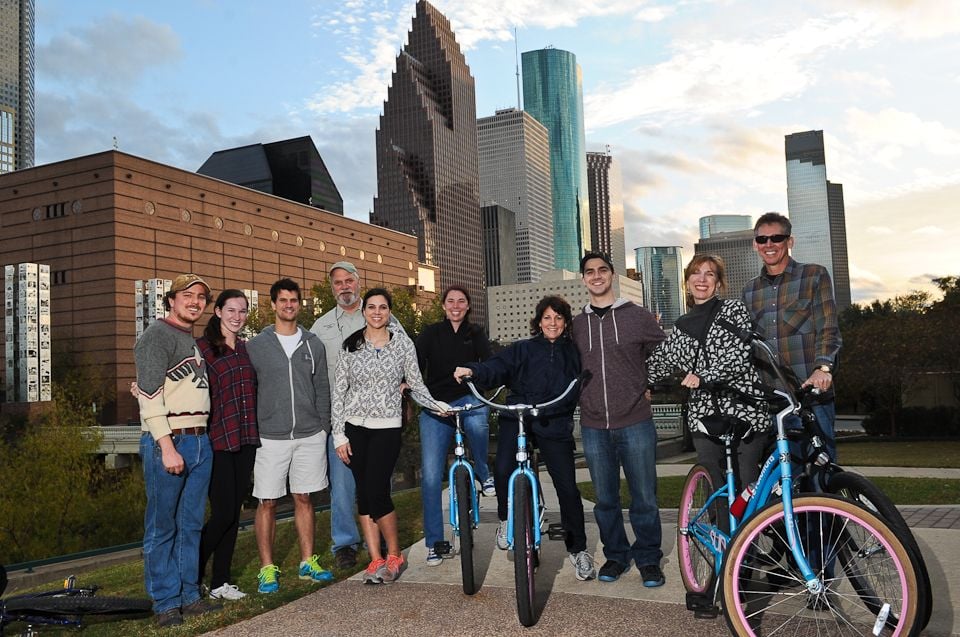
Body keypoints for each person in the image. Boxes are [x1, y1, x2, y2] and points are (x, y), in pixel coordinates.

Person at [453, 295, 596, 582]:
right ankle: (507, 520)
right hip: (517, 416)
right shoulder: (523, 349)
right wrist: (473, 370)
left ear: (565, 322)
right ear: (538, 322)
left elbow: (584, 381)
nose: (552, 323)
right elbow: (496, 367)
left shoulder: (574, 352)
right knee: (504, 467)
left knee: (567, 486)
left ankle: (578, 550)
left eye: (558, 318)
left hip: (553, 420)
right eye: (547, 318)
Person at [332, 288, 446, 585]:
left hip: (387, 428)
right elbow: (339, 394)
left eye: (383, 307)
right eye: (371, 307)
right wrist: (339, 436)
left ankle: (394, 555)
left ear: (389, 311)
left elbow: (417, 384)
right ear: (364, 311)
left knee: (378, 489)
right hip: (354, 427)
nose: (377, 312)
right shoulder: (351, 346)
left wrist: (437, 406)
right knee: (364, 494)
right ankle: (375, 560)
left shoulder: (403, 345)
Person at [647, 255, 770, 523]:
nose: (702, 279)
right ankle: (725, 555)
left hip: (745, 410)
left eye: (710, 274)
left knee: (748, 483)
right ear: (687, 282)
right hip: (704, 417)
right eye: (696, 273)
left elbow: (739, 355)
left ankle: (752, 544)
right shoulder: (680, 327)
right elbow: (657, 364)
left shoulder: (733, 311)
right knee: (716, 488)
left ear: (718, 283)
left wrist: (704, 376)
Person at [572, 252, 667, 587]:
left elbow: (665, 352)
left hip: (636, 421)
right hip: (594, 424)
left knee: (644, 497)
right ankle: (616, 556)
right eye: (589, 272)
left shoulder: (638, 317)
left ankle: (649, 559)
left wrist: (650, 382)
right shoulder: (576, 325)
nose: (596, 276)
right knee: (606, 499)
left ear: (612, 275)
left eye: (602, 270)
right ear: (583, 279)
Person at [134, 273, 221, 627]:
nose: (195, 301)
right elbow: (150, 399)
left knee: (191, 524)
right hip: (170, 439)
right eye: (188, 295)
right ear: (171, 300)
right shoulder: (156, 336)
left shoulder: (192, 340)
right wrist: (167, 447)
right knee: (162, 526)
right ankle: (165, 601)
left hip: (199, 439)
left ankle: (188, 594)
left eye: (201, 296)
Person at [309, 261, 405, 570]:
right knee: (342, 484)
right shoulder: (320, 326)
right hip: (341, 418)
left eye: (349, 281)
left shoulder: (384, 317)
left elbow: (405, 356)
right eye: (338, 283)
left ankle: (377, 544)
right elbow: (312, 372)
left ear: (358, 283)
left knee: (377, 481)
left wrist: (404, 384)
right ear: (332, 287)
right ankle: (345, 544)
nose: (344, 287)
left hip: (379, 418)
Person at [247, 278, 332, 594]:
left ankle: (308, 561)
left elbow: (322, 387)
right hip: (270, 436)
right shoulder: (255, 347)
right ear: (272, 304)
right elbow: (250, 390)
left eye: (294, 300)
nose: (288, 305)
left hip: (310, 434)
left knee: (304, 498)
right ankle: (267, 568)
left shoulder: (313, 344)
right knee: (267, 501)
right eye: (282, 300)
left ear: (300, 304)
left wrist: (323, 425)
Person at [742, 212, 842, 460]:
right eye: (762, 239)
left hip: (811, 396)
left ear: (790, 241)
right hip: (773, 403)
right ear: (755, 245)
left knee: (821, 473)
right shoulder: (749, 291)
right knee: (784, 481)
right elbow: (746, 346)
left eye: (777, 237)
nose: (769, 244)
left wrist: (824, 369)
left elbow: (828, 326)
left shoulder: (814, 275)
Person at [415, 285, 495, 567]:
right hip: (436, 405)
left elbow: (490, 364)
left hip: (467, 398)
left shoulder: (476, 333)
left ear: (468, 306)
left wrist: (478, 377)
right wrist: (407, 383)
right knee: (431, 476)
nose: (456, 305)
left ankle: (484, 473)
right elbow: (413, 363)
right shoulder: (430, 333)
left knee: (478, 423)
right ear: (443, 306)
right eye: (451, 301)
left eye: (461, 301)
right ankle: (435, 543)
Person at [197, 290, 260, 601]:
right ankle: (192, 572)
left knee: (234, 513)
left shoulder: (247, 350)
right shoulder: (203, 349)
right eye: (231, 310)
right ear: (218, 311)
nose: (238, 316)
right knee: (221, 513)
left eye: (243, 311)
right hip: (218, 440)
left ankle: (221, 581)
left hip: (246, 438)